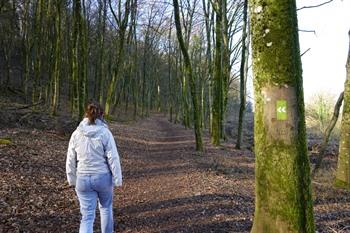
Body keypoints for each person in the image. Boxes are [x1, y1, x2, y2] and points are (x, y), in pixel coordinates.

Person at [66, 101, 122, 233]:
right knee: (106, 208)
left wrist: (71, 178)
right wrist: (117, 178)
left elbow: (70, 158)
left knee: (87, 217)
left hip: (82, 179)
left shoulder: (76, 133)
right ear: (102, 115)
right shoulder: (105, 133)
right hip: (102, 178)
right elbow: (113, 157)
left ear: (86, 114)